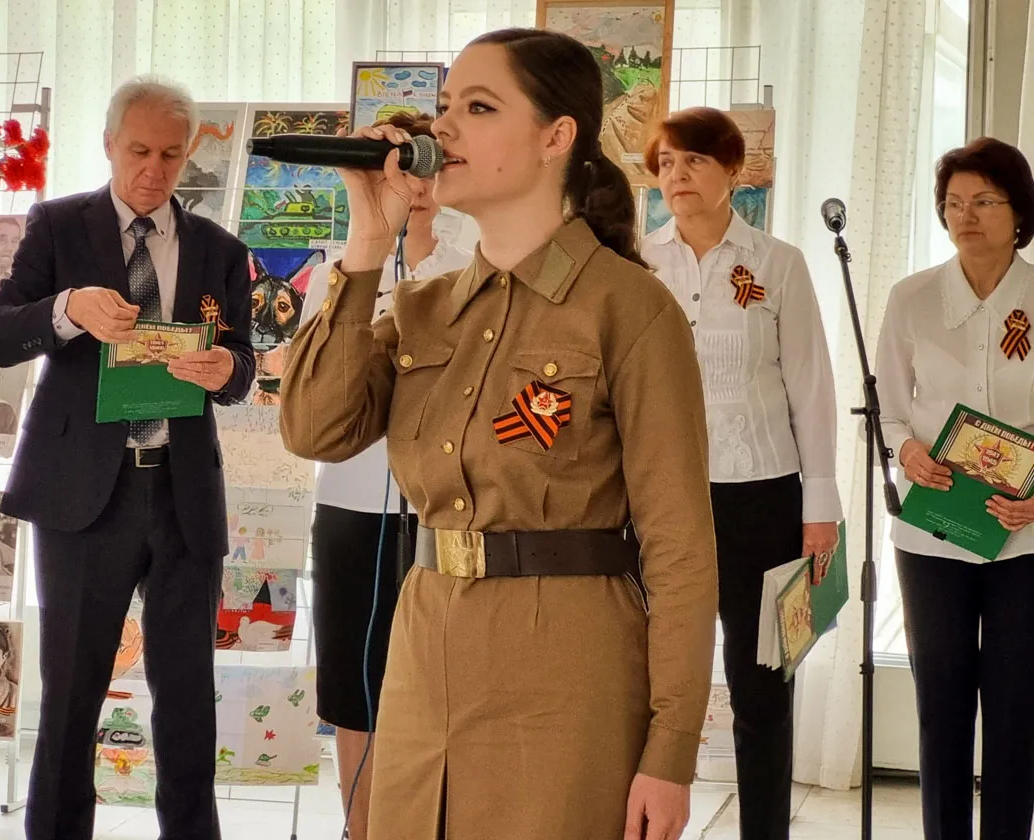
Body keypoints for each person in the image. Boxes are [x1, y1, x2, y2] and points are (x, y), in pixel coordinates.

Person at [281, 28, 718, 840]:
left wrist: (671, 751)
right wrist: (368, 242)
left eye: (479, 108)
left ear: (557, 137)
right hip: (424, 655)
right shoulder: (424, 307)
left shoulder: (630, 308)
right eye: (445, 106)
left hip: (566, 672)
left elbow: (681, 549)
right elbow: (315, 428)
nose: (443, 126)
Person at [0, 75, 254, 840]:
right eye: (138, 151)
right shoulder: (57, 226)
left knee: (188, 699)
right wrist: (67, 310)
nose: (153, 170)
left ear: (189, 153)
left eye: (170, 154)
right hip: (82, 500)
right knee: (71, 694)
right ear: (108, 144)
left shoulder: (220, 250)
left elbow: (241, 363)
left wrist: (227, 369)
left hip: (183, 495)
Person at [640, 107, 842, 840]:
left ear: (733, 171)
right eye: (666, 164)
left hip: (764, 498)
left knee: (762, 684)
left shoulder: (778, 262)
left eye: (695, 160)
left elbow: (811, 386)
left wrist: (820, 507)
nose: (678, 176)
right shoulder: (638, 262)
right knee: (655, 680)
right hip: (663, 501)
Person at [297, 111, 473, 840]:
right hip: (352, 505)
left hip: (450, 509)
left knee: (446, 689)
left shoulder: (475, 263)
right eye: (391, 166)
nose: (411, 181)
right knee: (356, 687)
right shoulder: (341, 270)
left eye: (423, 161)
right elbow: (317, 395)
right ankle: (359, 828)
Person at [876, 137, 1034, 840]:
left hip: (1025, 536)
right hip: (933, 532)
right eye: (953, 203)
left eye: (984, 202)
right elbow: (886, 410)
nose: (965, 216)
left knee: (1016, 708)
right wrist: (907, 452)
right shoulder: (912, 299)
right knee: (940, 706)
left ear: (1019, 212)